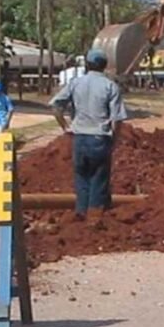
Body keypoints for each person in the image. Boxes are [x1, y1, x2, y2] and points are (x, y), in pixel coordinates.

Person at [50, 49, 128, 223]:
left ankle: (81, 213)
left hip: (79, 138)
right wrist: (114, 140)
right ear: (105, 66)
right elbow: (117, 119)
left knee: (81, 177)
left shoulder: (75, 83)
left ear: (87, 64)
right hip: (100, 138)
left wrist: (65, 127)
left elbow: (56, 105)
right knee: (99, 178)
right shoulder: (110, 86)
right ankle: (94, 218)